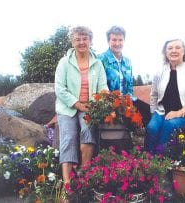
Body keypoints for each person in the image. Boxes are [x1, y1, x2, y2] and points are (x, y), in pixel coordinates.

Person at [54, 26, 108, 188]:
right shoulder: (64, 62)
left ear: (90, 41)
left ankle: (83, 173)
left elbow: (103, 87)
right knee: (68, 137)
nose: (81, 42)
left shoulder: (97, 63)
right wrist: (77, 104)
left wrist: (98, 102)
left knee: (87, 129)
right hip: (68, 107)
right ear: (72, 42)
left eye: (85, 39)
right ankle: (67, 183)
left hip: (89, 107)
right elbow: (59, 88)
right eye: (78, 39)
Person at [145, 38, 185, 153]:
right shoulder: (159, 72)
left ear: (184, 51)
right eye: (170, 48)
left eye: (178, 47)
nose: (174, 51)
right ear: (165, 53)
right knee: (152, 128)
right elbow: (154, 95)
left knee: (169, 125)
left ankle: (159, 161)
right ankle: (146, 159)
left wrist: (178, 113)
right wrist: (153, 115)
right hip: (161, 111)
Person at [98, 25, 151, 127]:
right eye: (114, 40)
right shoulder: (101, 59)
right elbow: (99, 85)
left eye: (120, 40)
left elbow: (130, 85)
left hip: (127, 99)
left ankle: (144, 141)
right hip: (109, 101)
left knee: (148, 111)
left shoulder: (127, 61)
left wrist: (129, 102)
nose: (117, 43)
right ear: (108, 41)